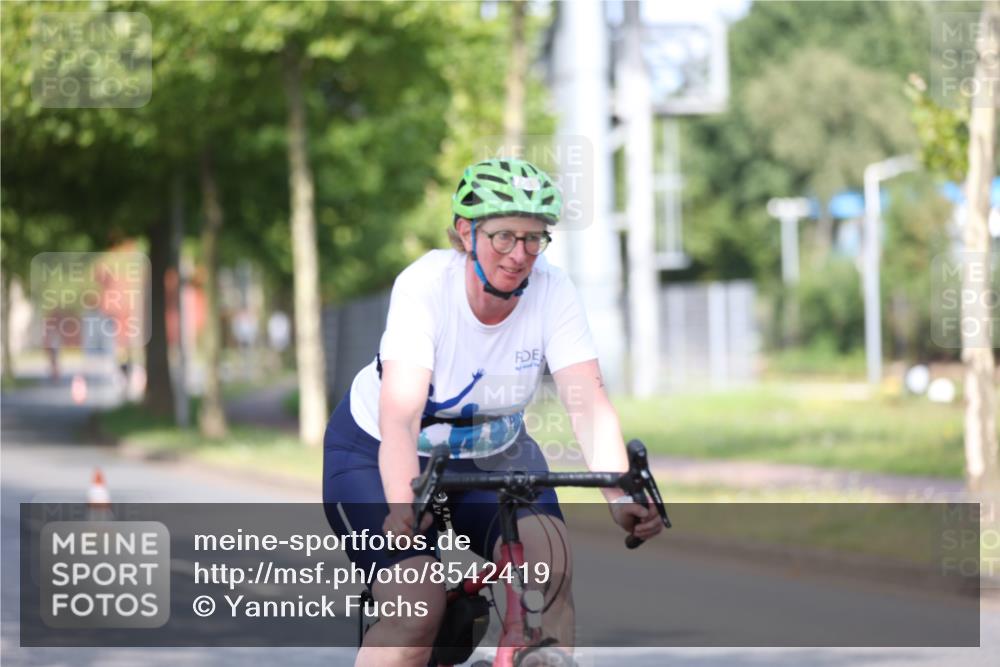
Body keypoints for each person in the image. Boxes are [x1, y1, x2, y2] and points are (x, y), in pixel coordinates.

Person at [323, 158, 664, 667]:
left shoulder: (553, 290)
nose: (519, 254)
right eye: (503, 237)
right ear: (466, 232)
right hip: (380, 454)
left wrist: (620, 495)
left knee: (550, 570)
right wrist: (401, 504)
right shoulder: (425, 287)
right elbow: (400, 416)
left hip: (494, 452)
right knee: (417, 608)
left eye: (534, 239)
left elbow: (589, 405)